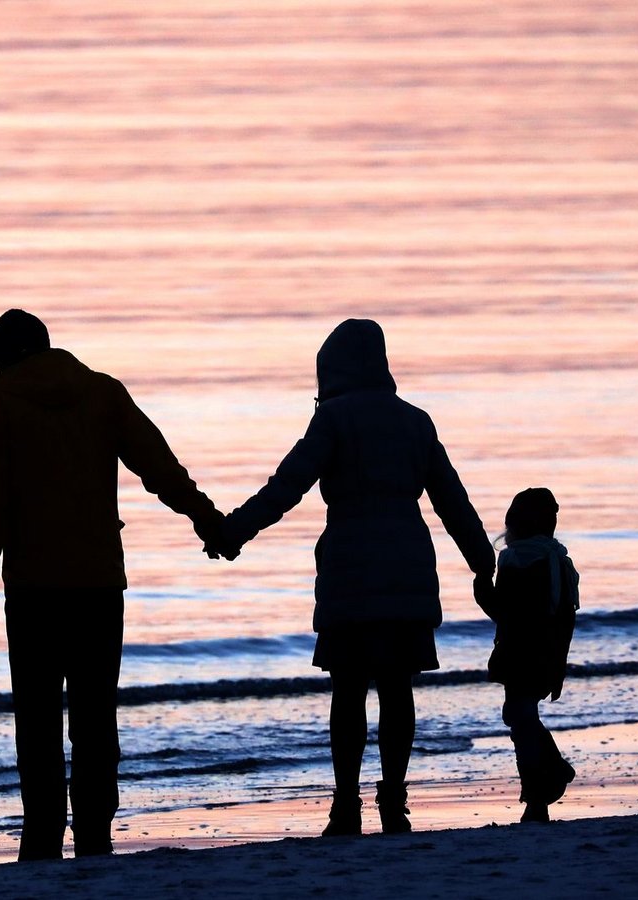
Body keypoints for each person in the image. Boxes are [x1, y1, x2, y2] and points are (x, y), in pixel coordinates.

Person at [0, 309, 229, 860]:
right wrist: (205, 517)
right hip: (98, 583)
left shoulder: (1, 405)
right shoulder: (103, 393)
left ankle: (41, 832)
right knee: (94, 712)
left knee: (37, 716)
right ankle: (94, 828)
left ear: (3, 357)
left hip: (34, 586)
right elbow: (159, 467)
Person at [219, 318, 494, 836]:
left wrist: (234, 531)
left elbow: (288, 485)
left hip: (349, 565)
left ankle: (345, 805)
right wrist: (484, 563)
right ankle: (394, 800)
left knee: (347, 691)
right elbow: (452, 501)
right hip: (408, 564)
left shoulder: (334, 420)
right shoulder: (416, 421)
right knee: (397, 688)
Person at [474, 487, 579, 823]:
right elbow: (565, 619)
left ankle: (538, 796)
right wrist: (559, 664)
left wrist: (482, 593)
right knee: (519, 717)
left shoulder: (517, 562)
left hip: (521, 654)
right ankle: (544, 785)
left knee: (519, 719)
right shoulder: (556, 561)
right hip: (541, 654)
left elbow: (506, 613)